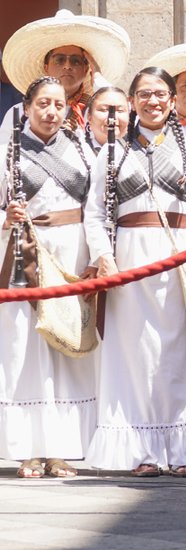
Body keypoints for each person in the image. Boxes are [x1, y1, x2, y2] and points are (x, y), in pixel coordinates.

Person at [83, 67, 186, 477]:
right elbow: (94, 214)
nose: (153, 101)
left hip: (182, 257)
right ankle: (142, 450)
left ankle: (183, 449)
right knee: (136, 357)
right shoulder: (111, 152)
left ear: (171, 99)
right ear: (132, 101)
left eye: (161, 93)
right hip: (129, 263)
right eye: (144, 94)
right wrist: (103, 256)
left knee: (180, 355)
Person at [0, 76, 99, 478]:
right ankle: (27, 449)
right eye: (43, 103)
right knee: (25, 347)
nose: (51, 112)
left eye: (58, 104)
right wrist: (6, 218)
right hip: (25, 249)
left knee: (66, 346)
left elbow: (95, 206)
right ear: (26, 108)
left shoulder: (80, 148)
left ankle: (61, 450)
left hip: (71, 250)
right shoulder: (7, 149)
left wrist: (97, 255)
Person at [2, 10, 130, 132]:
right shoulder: (20, 113)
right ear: (46, 67)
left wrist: (97, 77)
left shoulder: (99, 111)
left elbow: (121, 110)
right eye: (59, 60)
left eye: (76, 61)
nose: (67, 66)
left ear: (86, 69)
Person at [81, 87, 131, 153]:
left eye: (120, 110)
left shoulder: (140, 154)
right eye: (104, 109)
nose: (113, 117)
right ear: (89, 116)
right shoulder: (74, 150)